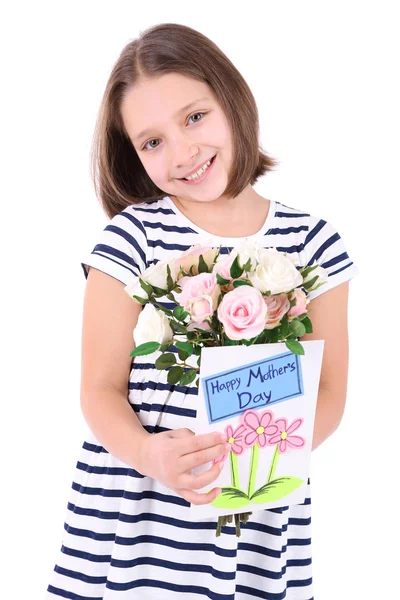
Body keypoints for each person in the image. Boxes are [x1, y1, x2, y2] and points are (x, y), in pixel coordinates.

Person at [46, 22, 359, 600]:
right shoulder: (130, 239)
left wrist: (259, 460)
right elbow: (99, 390)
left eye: (194, 117)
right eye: (152, 141)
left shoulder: (313, 244)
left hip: (255, 520)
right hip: (135, 520)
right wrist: (149, 453)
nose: (183, 152)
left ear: (232, 101)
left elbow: (331, 388)